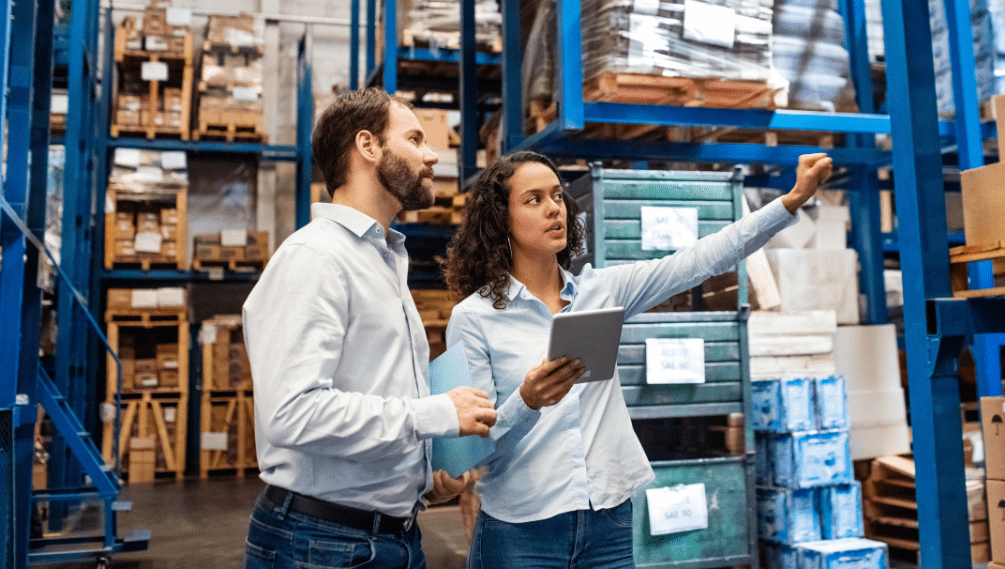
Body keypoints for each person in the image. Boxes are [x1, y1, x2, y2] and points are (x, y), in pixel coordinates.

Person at [443, 150, 833, 569]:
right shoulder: (470, 318)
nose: (554, 208)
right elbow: (464, 455)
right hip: (520, 533)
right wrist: (527, 401)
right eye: (534, 199)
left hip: (608, 523)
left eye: (557, 196)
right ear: (502, 220)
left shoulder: (602, 291)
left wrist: (790, 202)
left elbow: (701, 259)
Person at [242, 88, 499, 569]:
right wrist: (434, 414)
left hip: (389, 536)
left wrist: (425, 473)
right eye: (415, 138)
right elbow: (293, 413)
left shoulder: (383, 258)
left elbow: (374, 390)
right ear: (368, 146)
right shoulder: (316, 259)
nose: (432, 154)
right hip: (322, 544)